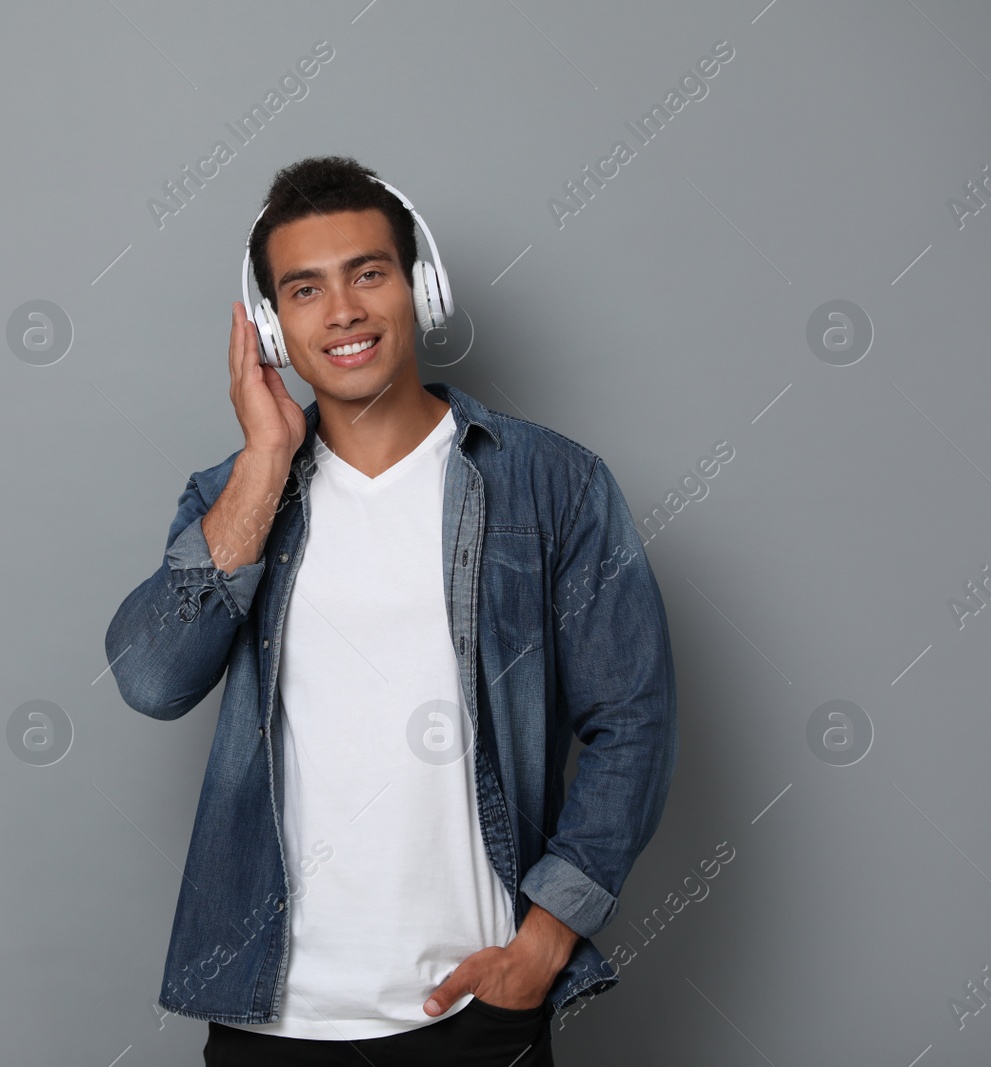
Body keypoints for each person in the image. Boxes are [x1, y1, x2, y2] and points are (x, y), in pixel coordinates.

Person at [104, 155, 678, 1066]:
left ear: (422, 288)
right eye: (304, 289)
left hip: (473, 1014)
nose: (342, 312)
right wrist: (264, 457)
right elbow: (149, 677)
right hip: (267, 1019)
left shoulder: (552, 484)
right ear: (269, 325)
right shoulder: (231, 499)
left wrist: (543, 947)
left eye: (368, 273)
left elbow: (634, 719)